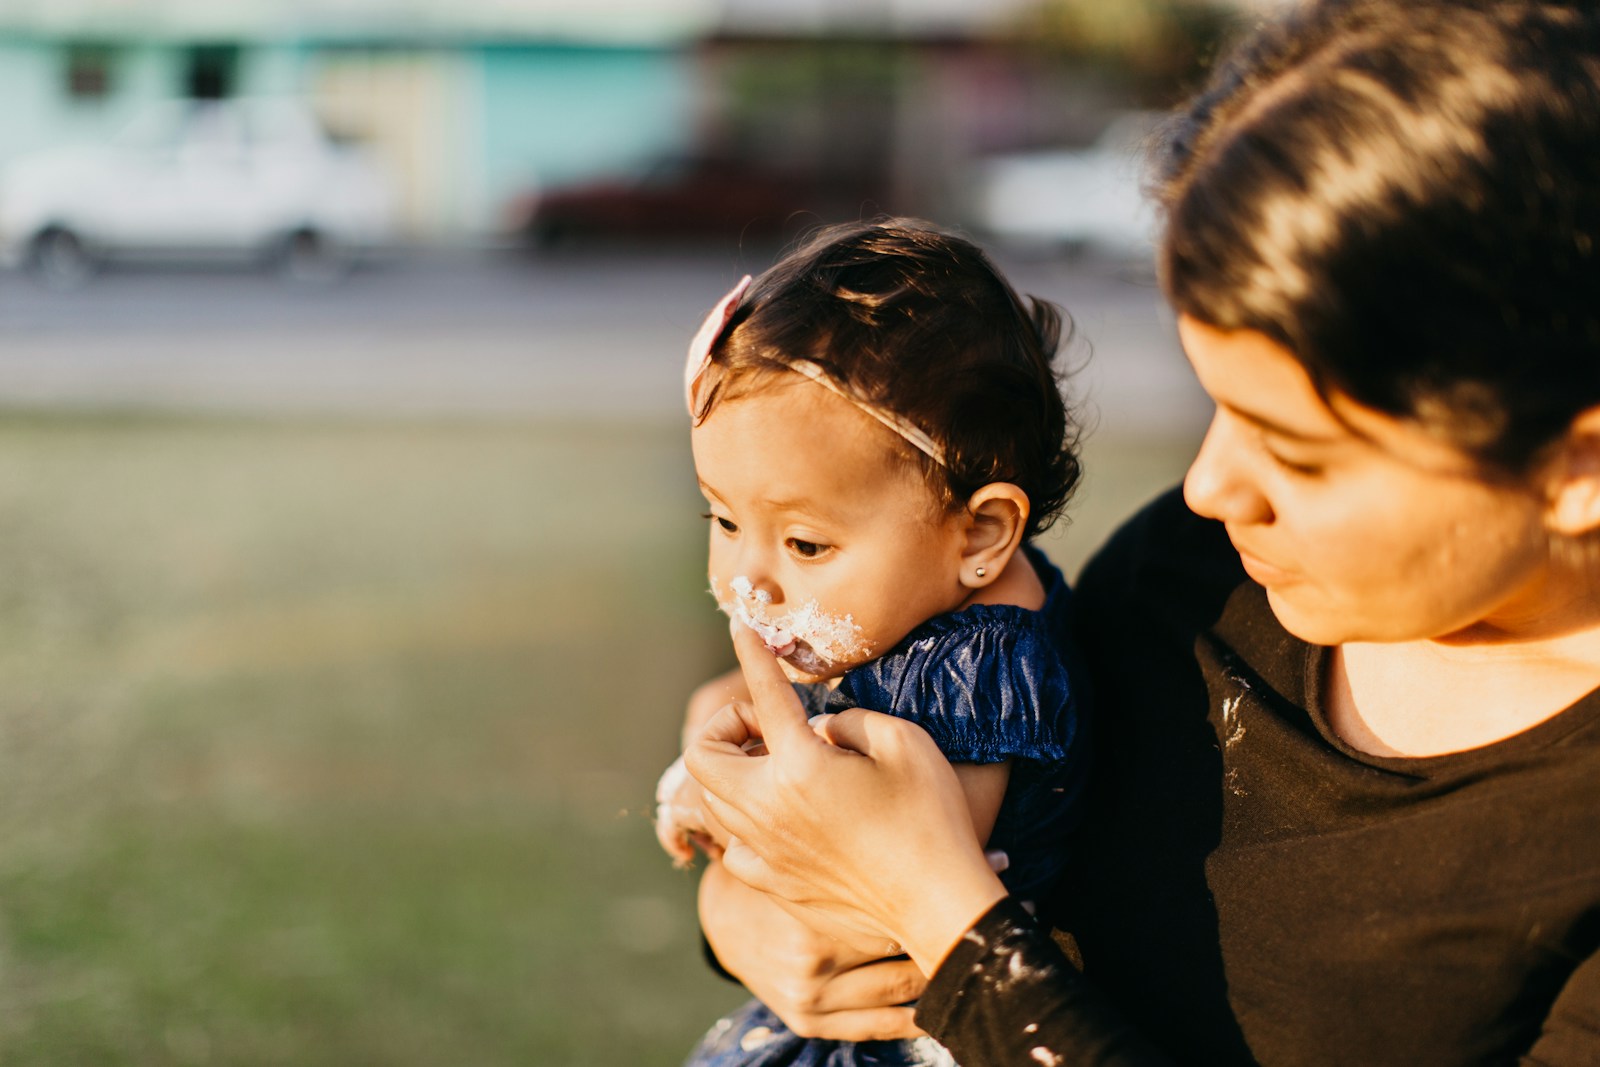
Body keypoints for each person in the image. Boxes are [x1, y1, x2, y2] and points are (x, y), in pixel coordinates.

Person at [682, 0, 1600, 1063]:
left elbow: (937, 896)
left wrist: (942, 927)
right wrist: (754, 918)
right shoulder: (1198, 578)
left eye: (1295, 449)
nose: (1209, 484)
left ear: (1574, 464)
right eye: (1218, 406)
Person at [658, 219, 1092, 1066]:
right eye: (723, 517)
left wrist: (713, 796)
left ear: (980, 535)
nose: (751, 581)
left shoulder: (978, 666)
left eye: (806, 544)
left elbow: (867, 880)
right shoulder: (932, 602)